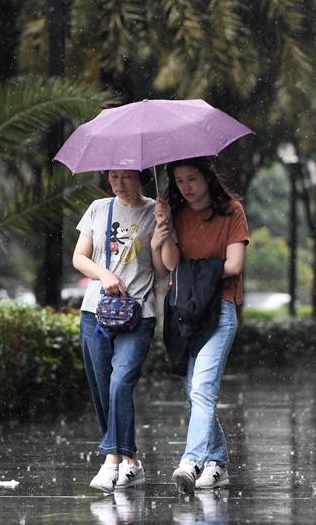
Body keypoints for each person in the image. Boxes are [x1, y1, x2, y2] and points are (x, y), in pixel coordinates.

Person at [73, 169, 179, 492]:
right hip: (96, 312)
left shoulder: (157, 211)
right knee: (102, 388)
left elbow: (162, 270)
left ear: (141, 176)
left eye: (126, 177)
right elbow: (79, 257)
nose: (119, 184)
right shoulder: (98, 208)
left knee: (120, 382)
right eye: (113, 176)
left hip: (139, 314)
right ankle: (130, 459)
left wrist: (162, 232)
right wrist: (103, 274)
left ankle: (111, 461)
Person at [154, 157, 248, 493]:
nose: (186, 186)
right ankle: (218, 462)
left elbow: (234, 264)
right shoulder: (174, 215)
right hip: (184, 313)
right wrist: (163, 233)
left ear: (207, 178)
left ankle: (190, 461)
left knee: (203, 390)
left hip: (220, 310)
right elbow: (168, 267)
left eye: (192, 178)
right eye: (179, 180)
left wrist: (199, 274)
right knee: (194, 393)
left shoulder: (232, 212)